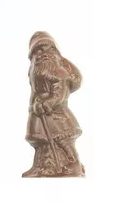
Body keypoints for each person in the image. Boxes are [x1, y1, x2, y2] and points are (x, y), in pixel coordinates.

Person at [23, 31, 84, 177]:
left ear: (55, 53)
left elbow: (60, 93)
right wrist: (35, 105)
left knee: (63, 140)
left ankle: (73, 163)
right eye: (39, 51)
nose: (44, 54)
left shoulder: (59, 72)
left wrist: (49, 102)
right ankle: (42, 166)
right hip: (39, 113)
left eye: (49, 49)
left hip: (57, 114)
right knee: (41, 142)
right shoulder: (35, 72)